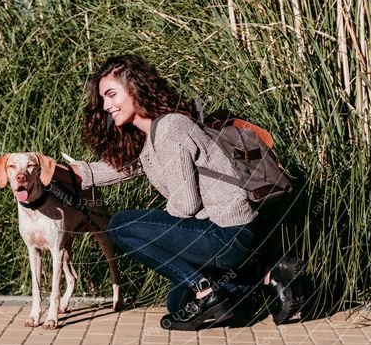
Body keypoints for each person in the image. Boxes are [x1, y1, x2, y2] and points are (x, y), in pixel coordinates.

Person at [49, 54, 299, 330]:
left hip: (229, 234)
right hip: (227, 237)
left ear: (134, 88)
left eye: (111, 95)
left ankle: (206, 290)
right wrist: (47, 169)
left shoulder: (170, 128)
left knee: (121, 224)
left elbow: (186, 205)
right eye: (103, 99)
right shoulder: (149, 141)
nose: (106, 106)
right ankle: (268, 276)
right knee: (178, 304)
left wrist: (156, 233)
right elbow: (105, 172)